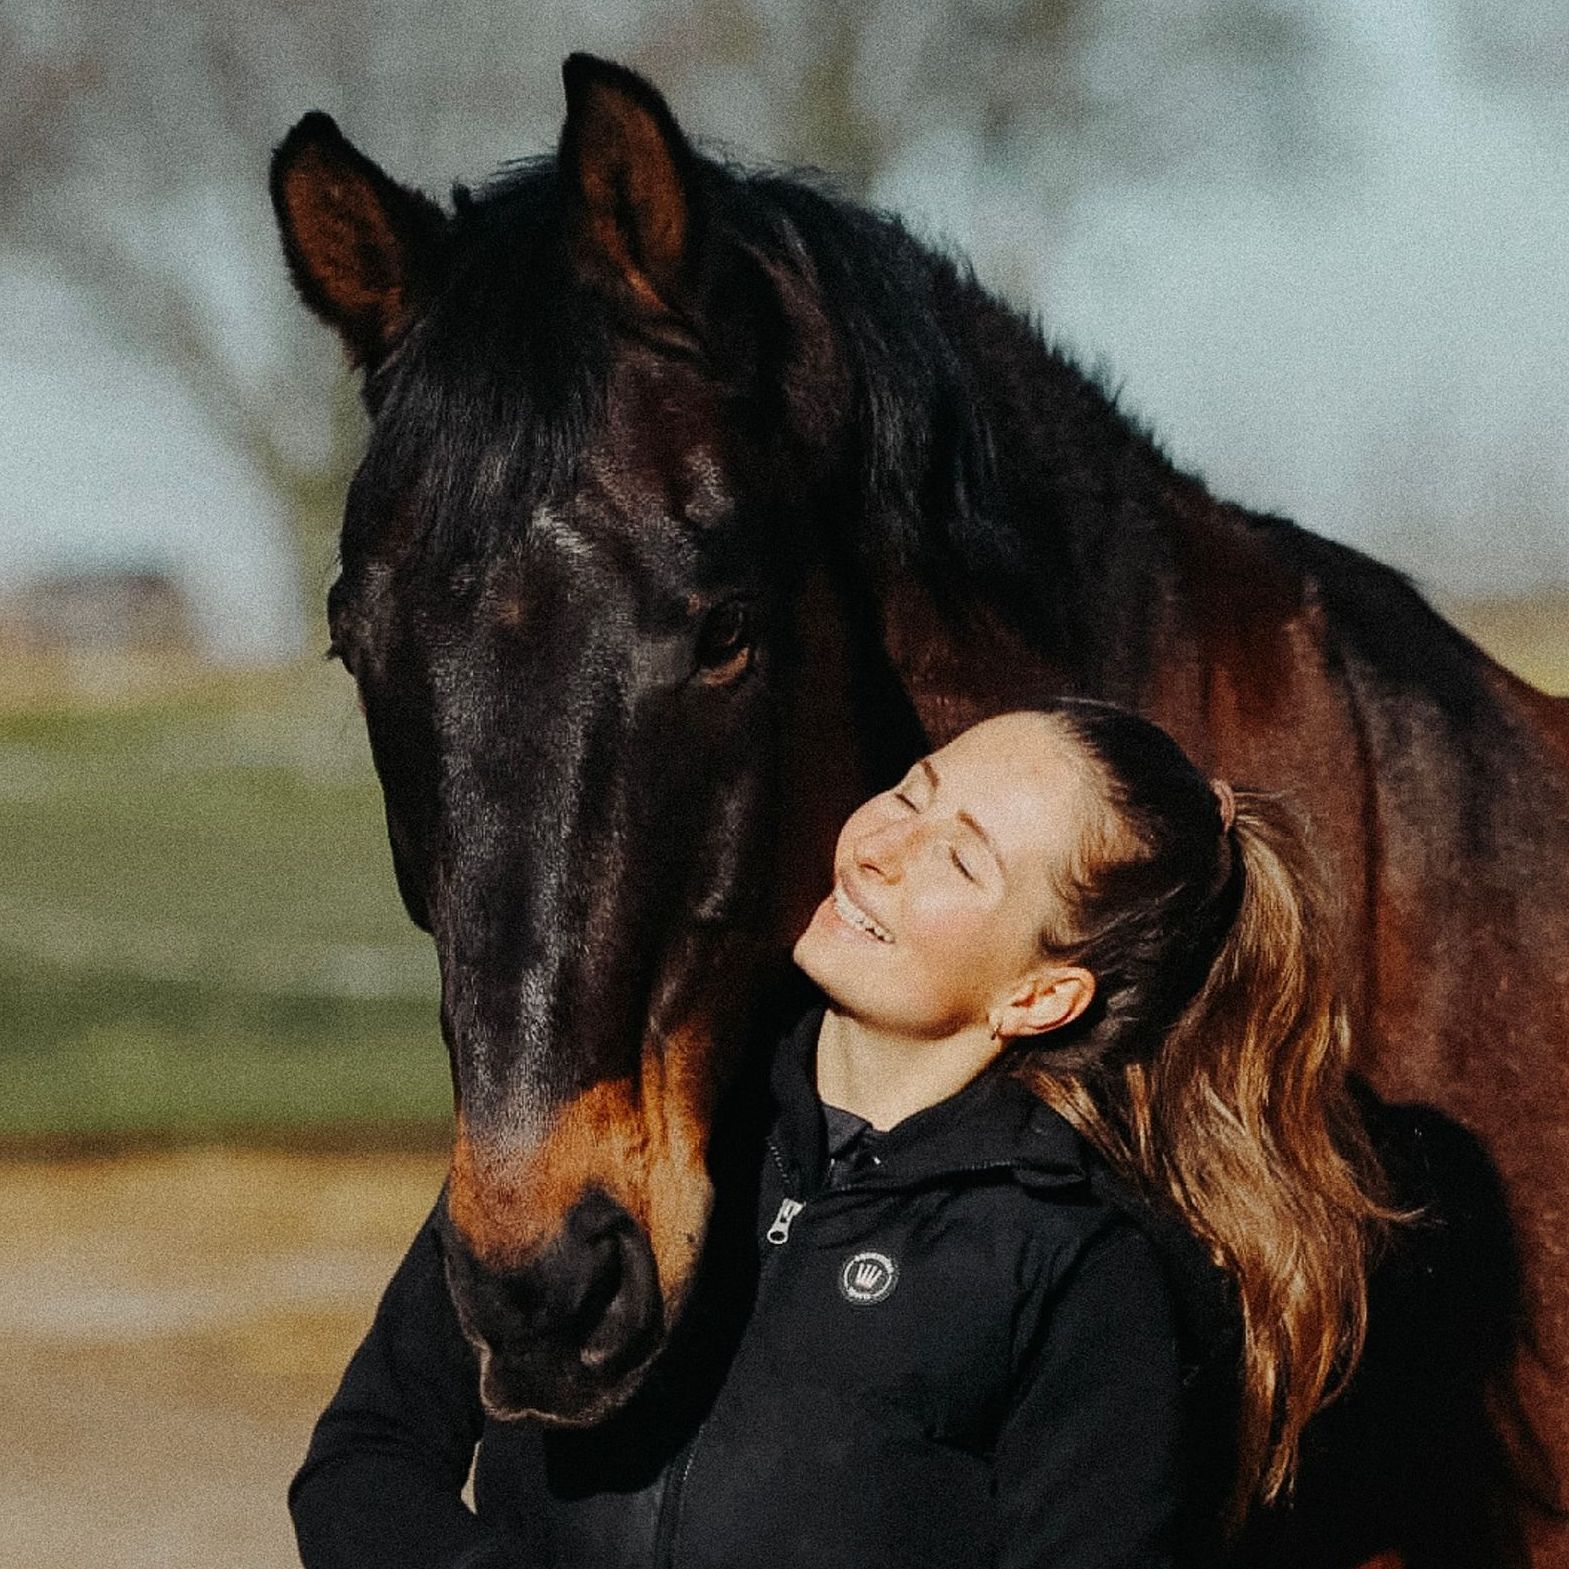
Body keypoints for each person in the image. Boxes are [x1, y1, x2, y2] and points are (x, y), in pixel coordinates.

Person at [290, 701, 1390, 1569]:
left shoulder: (1078, 1266)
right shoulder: (626, 1128)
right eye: (912, 793)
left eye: (963, 861)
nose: (881, 848)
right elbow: (362, 1460)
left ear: (1042, 998)